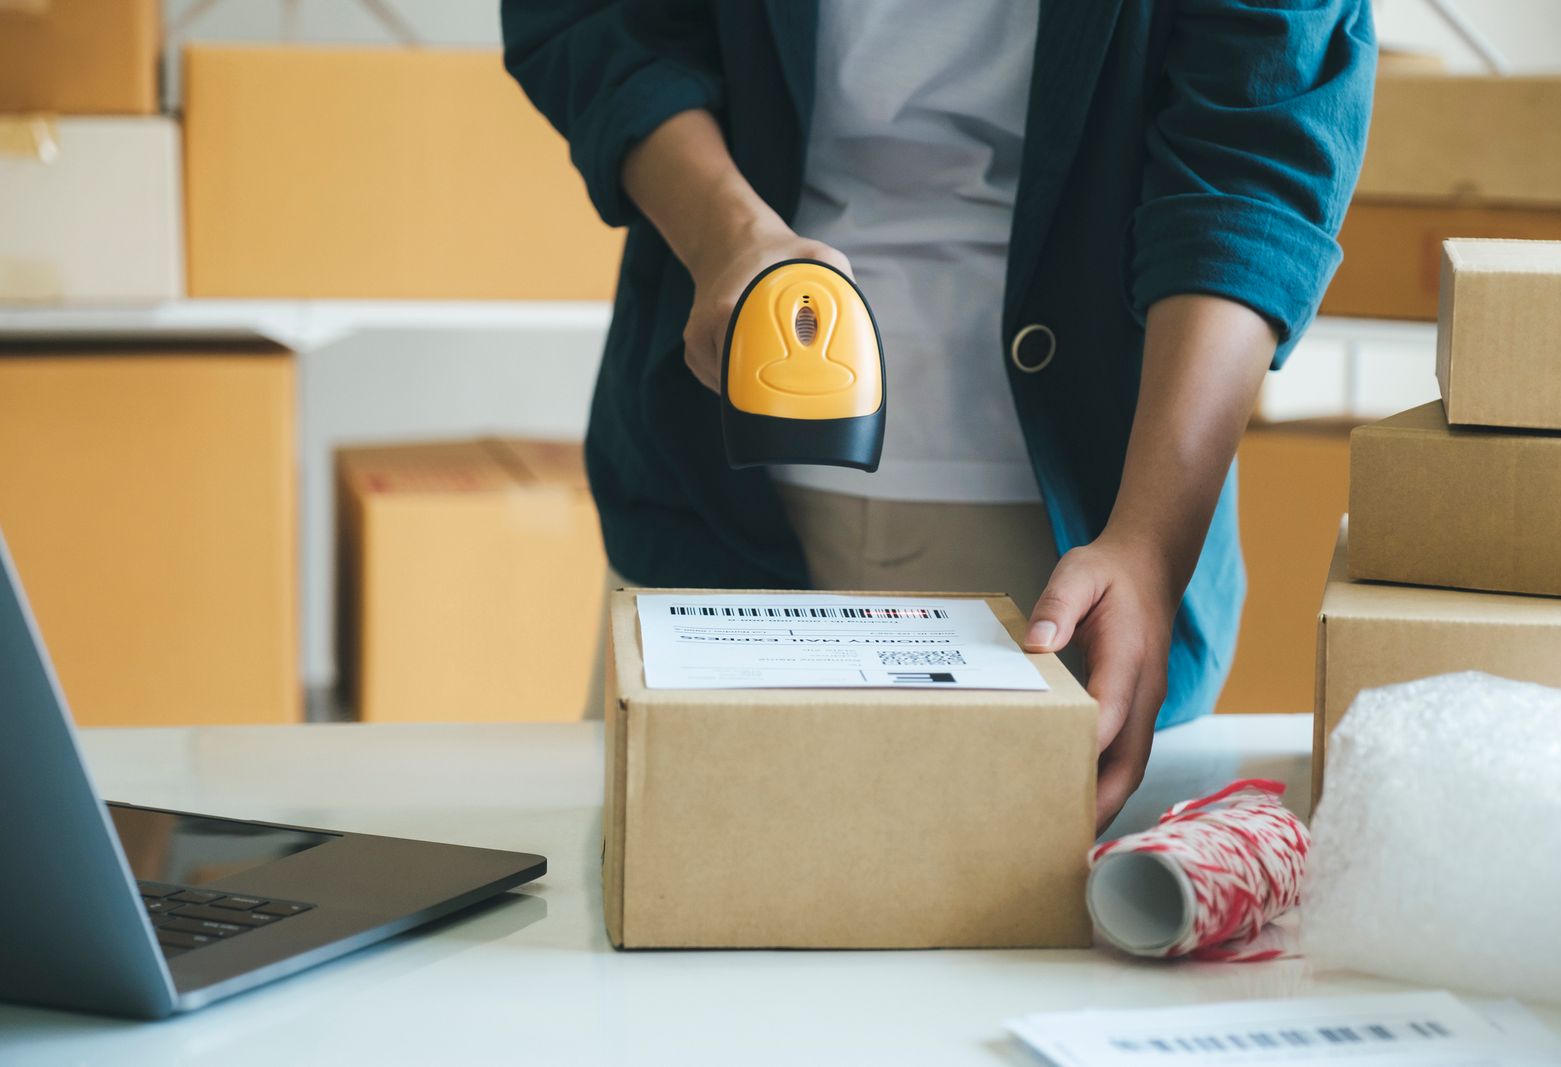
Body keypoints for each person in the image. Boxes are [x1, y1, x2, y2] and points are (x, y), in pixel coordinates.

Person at [503, 1, 1375, 828]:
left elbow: (1256, 138)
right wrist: (727, 233)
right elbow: (603, 22)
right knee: (664, 920)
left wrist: (1150, 540)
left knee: (1027, 964)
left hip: (1073, 534)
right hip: (714, 495)